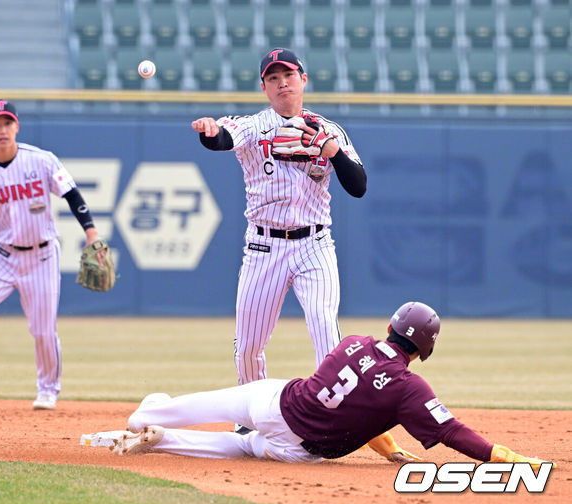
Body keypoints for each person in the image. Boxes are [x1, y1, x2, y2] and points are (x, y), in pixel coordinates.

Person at [110, 302, 554, 470]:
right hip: (300, 449)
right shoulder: (409, 388)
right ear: (423, 349)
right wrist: (504, 456)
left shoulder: (355, 342)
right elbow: (452, 432)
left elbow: (357, 395)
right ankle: (165, 440)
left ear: (390, 327)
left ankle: (153, 417)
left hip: (273, 402)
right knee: (244, 448)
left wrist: (386, 448)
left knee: (203, 408)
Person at [191, 49, 367, 432]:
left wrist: (332, 152)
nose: (282, 82)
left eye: (288, 74)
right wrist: (210, 132)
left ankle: (332, 417)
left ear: (304, 79)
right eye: (273, 77)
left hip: (315, 244)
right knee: (249, 345)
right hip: (263, 246)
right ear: (264, 87)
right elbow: (222, 138)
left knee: (324, 327)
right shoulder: (254, 126)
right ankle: (250, 418)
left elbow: (359, 186)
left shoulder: (328, 129)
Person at [0, 99, 106, 410]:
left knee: (42, 329)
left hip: (42, 255)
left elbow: (72, 194)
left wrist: (92, 233)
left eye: (7, 123)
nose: (2, 130)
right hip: (2, 255)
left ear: (17, 126)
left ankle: (47, 389)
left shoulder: (42, 161)